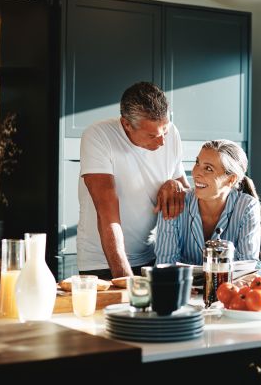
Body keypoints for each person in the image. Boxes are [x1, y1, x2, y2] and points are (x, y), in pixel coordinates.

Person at [77, 82, 190, 279]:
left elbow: (184, 192)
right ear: (127, 124)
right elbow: (106, 210)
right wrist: (124, 278)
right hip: (102, 262)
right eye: (152, 136)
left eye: (165, 131)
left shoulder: (171, 134)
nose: (162, 141)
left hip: (152, 256)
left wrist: (176, 184)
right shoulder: (98, 136)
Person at [154, 139, 261, 274]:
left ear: (231, 179)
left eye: (208, 168)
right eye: (197, 163)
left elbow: (246, 268)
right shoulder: (175, 203)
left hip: (232, 289)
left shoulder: (247, 207)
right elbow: (165, 265)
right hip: (185, 288)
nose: (196, 173)